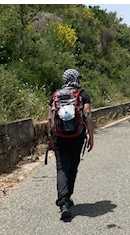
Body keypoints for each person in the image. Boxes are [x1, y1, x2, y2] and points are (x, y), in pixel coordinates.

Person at [48, 68, 94, 220]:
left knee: (61, 167)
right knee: (73, 166)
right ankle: (67, 198)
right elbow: (87, 116)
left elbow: (50, 119)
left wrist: (50, 139)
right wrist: (91, 136)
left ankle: (63, 202)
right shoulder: (83, 94)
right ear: (76, 79)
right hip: (77, 136)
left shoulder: (55, 95)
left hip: (59, 136)